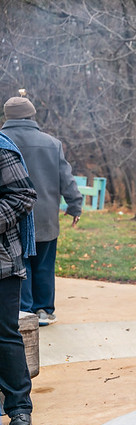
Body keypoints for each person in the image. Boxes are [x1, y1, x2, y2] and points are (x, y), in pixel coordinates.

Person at [2, 94, 82, 326]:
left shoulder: (2, 141)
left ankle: (23, 312)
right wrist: (75, 205)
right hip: (46, 217)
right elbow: (66, 179)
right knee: (44, 265)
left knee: (20, 264)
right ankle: (43, 311)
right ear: (31, 115)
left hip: (12, 217)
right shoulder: (52, 143)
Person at [0, 131, 37, 425]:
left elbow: (23, 196)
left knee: (4, 334)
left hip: (1, 264)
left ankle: (19, 407)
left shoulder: (2, 150)